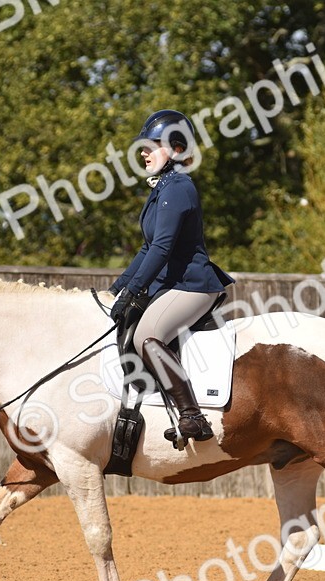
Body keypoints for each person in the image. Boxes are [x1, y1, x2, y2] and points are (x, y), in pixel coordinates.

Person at [109, 109, 235, 442]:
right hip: (173, 284)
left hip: (193, 285)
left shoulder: (178, 187)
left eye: (152, 145)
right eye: (143, 146)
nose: (143, 152)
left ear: (176, 149)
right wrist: (117, 290)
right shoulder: (161, 189)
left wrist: (134, 293)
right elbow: (146, 249)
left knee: (146, 336)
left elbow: (162, 250)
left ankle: (192, 417)